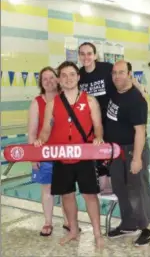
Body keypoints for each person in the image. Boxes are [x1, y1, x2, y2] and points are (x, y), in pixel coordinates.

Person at [34, 61, 104, 248]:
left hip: (84, 156)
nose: (68, 78)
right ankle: (73, 230)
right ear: (59, 80)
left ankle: (98, 234)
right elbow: (46, 130)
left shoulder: (90, 101)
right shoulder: (52, 103)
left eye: (72, 74)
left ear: (78, 77)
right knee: (67, 195)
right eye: (63, 75)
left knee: (90, 195)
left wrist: (98, 137)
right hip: (62, 156)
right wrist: (40, 140)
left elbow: (98, 126)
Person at [78, 42, 148, 194]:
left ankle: (114, 183)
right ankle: (105, 181)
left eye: (89, 53)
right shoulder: (79, 75)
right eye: (82, 54)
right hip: (92, 122)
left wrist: (140, 89)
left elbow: (125, 76)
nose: (86, 57)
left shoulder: (106, 68)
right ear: (79, 56)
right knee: (99, 156)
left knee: (112, 154)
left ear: (95, 55)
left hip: (110, 117)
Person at [105, 60, 150, 246]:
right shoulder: (114, 91)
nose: (117, 76)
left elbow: (140, 131)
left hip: (133, 149)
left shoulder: (136, 99)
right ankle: (128, 224)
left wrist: (137, 158)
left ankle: (146, 227)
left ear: (129, 74)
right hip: (116, 151)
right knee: (121, 189)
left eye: (122, 72)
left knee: (138, 190)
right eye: (115, 72)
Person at [27, 66, 69, 236]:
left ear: (57, 79)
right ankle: (48, 222)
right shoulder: (37, 102)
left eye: (52, 77)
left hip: (64, 152)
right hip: (44, 153)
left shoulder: (65, 99)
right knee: (47, 189)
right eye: (45, 79)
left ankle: (68, 221)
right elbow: (31, 132)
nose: (49, 81)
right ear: (41, 83)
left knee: (67, 189)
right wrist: (33, 156)